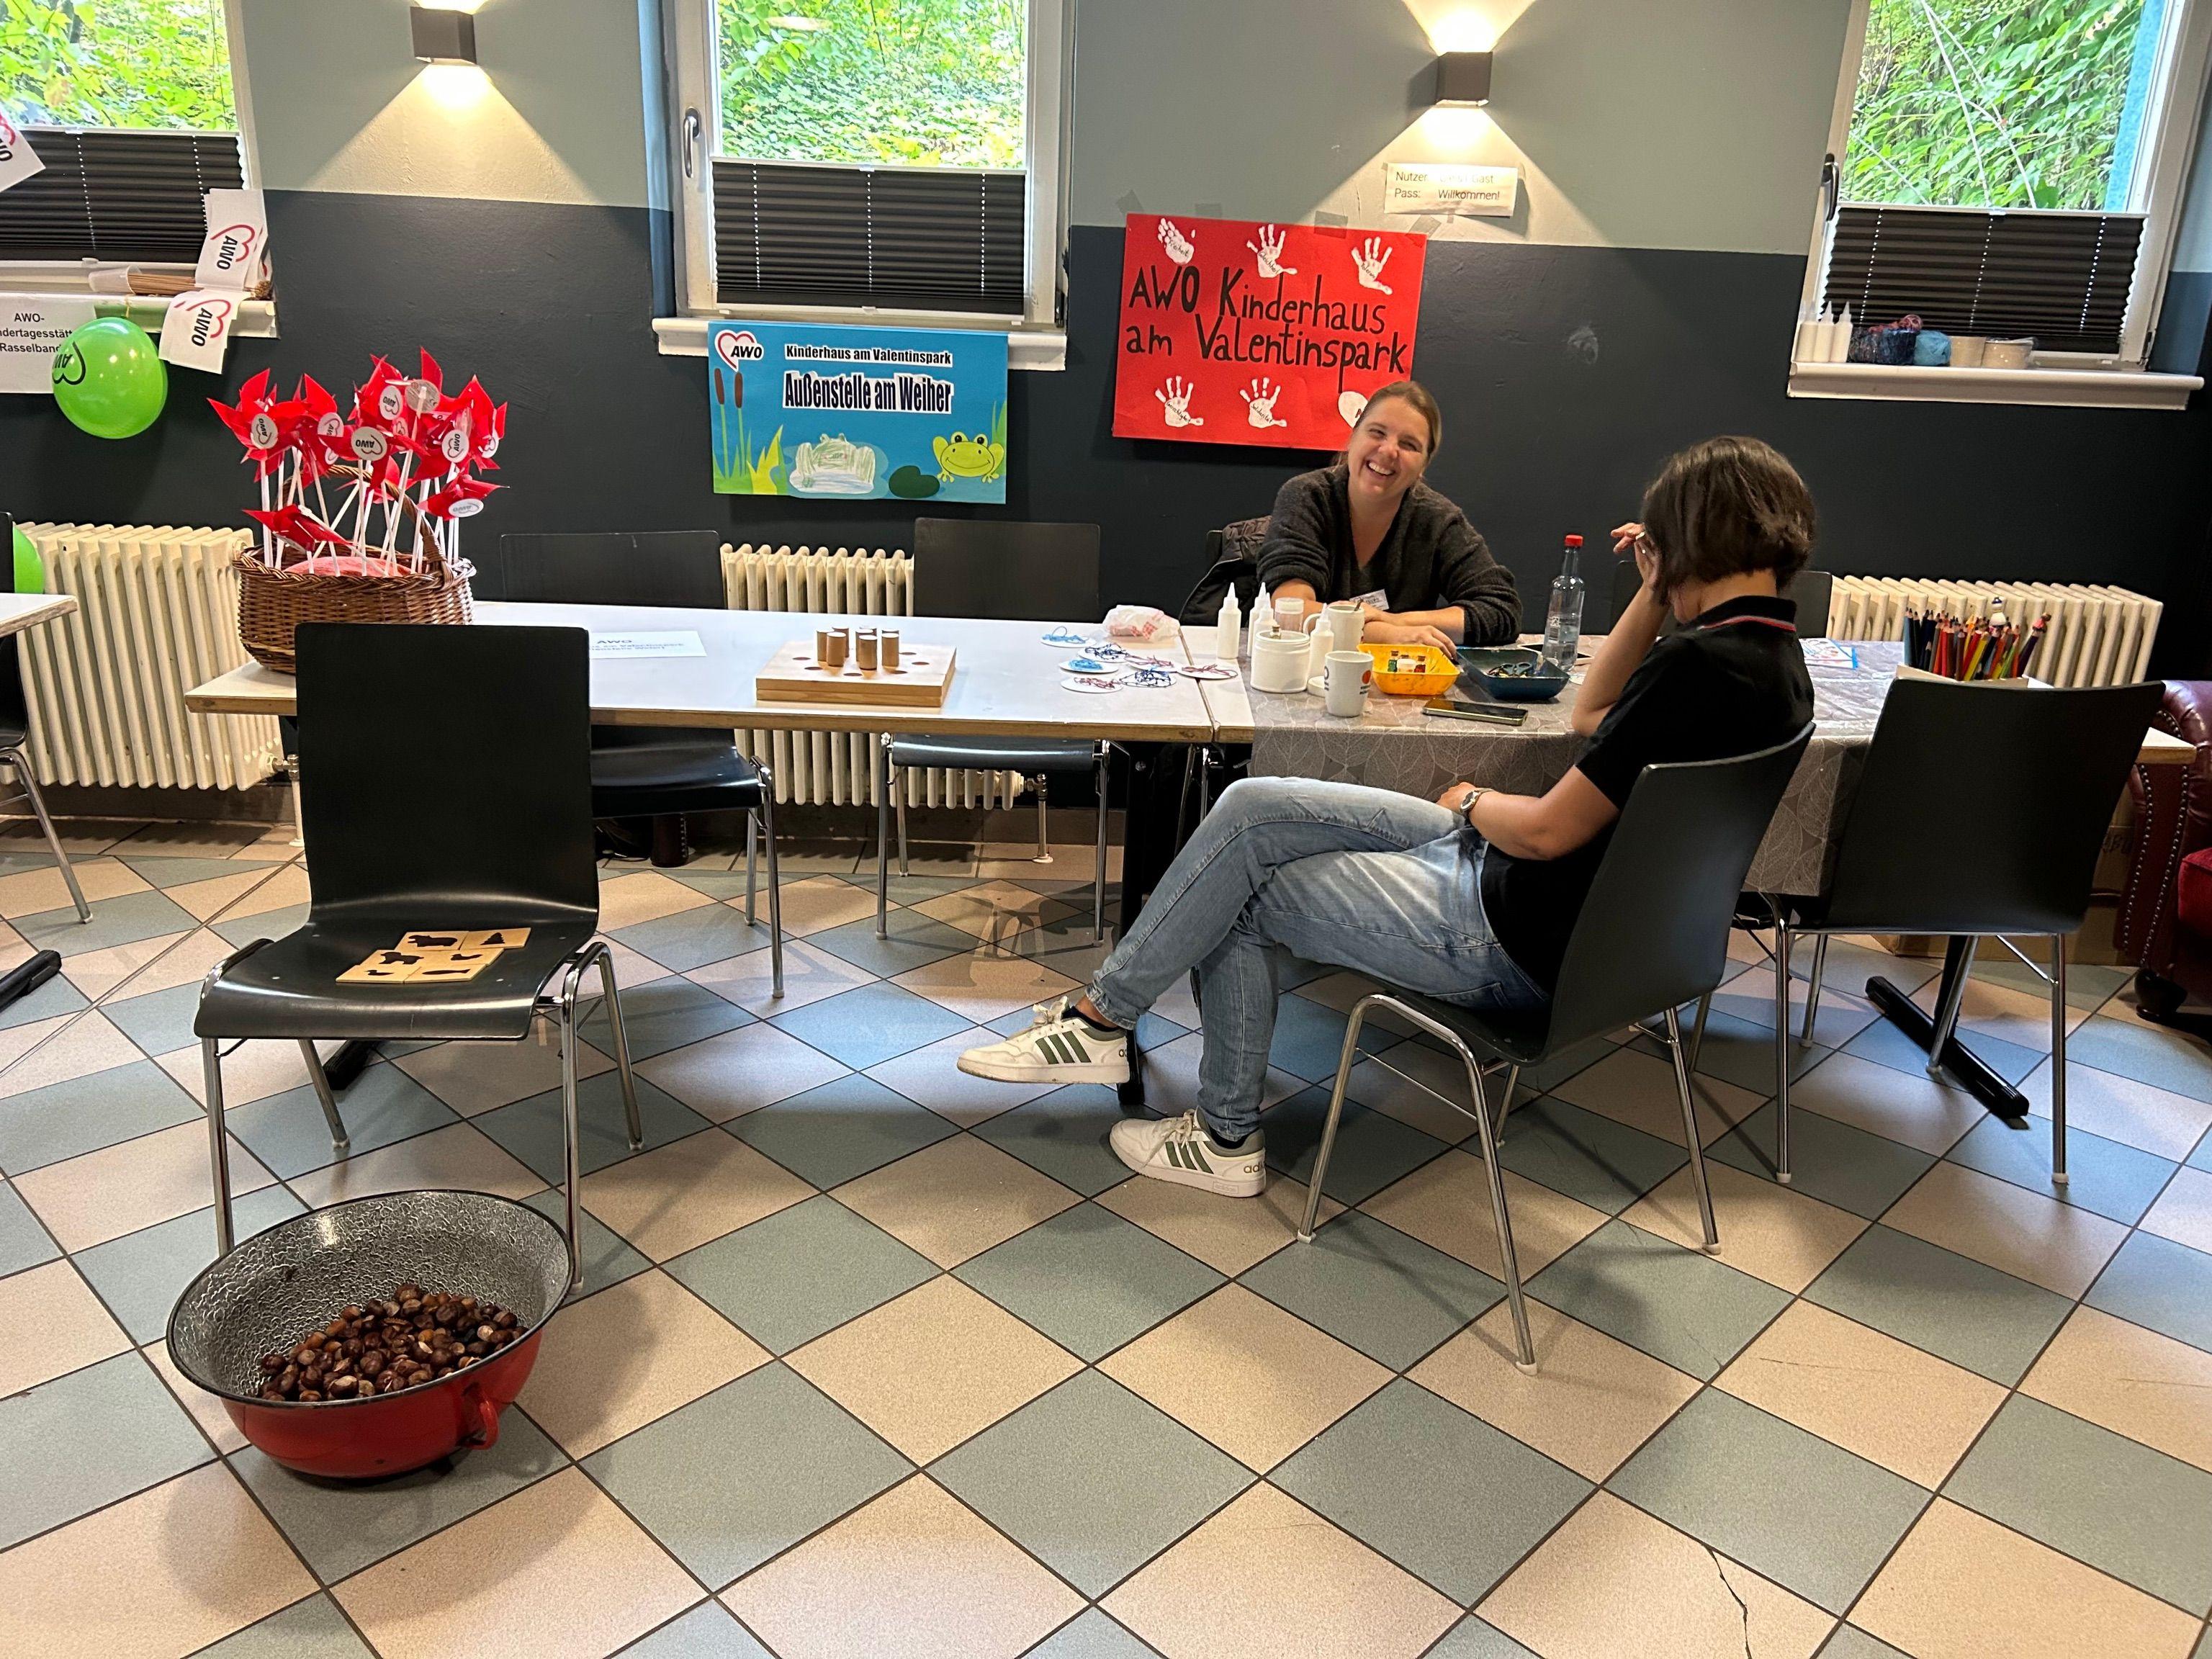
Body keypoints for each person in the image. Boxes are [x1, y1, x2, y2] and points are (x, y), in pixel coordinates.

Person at [960, 435, 1818, 1197]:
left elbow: (1549, 830)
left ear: (1690, 533)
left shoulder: (1696, 670)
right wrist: (1655, 591)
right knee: (1250, 806)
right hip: (1556, 913)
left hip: (1509, 929)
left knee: (1238, 891)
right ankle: (1104, 1020)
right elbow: (1594, 716)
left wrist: (1475, 801)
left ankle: (1219, 1136)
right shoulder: (1777, 664)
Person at [1258, 381, 1519, 655]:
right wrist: (1385, 635)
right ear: (1353, 436)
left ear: (1424, 465)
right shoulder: (1307, 496)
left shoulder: (1439, 520)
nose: (1389, 451)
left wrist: (1396, 621)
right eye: (1377, 433)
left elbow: (1502, 609)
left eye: (1409, 445)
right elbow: (1288, 611)